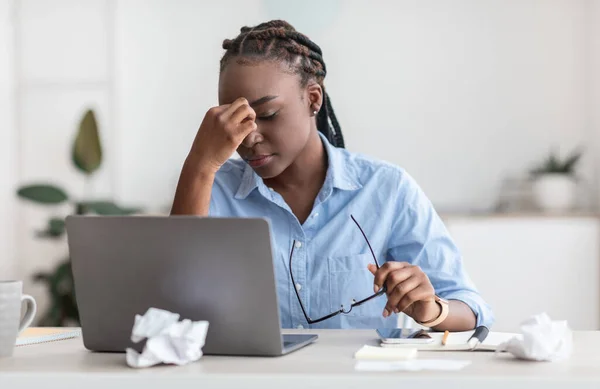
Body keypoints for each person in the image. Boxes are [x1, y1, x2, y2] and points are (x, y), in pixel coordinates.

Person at [171, 20, 493, 331]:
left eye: (267, 115)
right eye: (234, 119)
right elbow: (171, 308)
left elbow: (471, 308)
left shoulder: (386, 189)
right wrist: (199, 164)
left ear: (313, 98)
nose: (249, 136)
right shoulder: (211, 187)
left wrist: (432, 309)